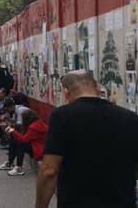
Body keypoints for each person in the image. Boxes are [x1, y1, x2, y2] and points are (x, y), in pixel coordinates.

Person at [36, 70, 138, 208]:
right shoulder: (131, 118)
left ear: (66, 92)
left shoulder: (62, 116)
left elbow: (49, 171)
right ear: (97, 88)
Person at [0, 109, 47, 176]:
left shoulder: (33, 127)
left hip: (39, 150)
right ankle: (10, 163)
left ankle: (18, 167)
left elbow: (24, 140)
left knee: (20, 143)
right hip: (38, 146)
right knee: (15, 141)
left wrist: (12, 131)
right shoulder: (38, 123)